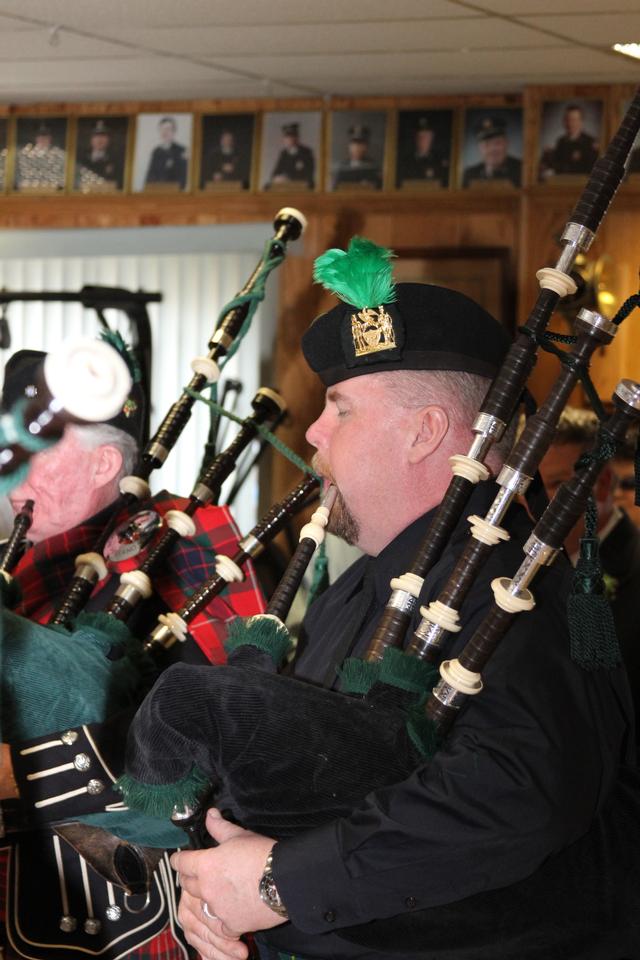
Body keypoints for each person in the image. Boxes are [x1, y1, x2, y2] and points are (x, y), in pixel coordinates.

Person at [161, 241, 634, 959]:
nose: (314, 433)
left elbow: (513, 794)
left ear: (426, 432)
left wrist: (278, 885)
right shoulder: (355, 590)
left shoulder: (522, 598)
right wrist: (220, 888)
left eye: (341, 410)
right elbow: (310, 779)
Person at [0, 347, 265, 959]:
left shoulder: (183, 544)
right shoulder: (31, 559)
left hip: (143, 911)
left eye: (37, 452)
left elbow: (230, 750)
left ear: (105, 463)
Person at [539, 405, 640, 730]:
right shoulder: (522, 565)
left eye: (555, 484)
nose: (538, 503)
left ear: (602, 483)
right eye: (531, 487)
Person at [539, 103, 599, 180]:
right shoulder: (561, 141)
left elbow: (589, 170)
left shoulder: (590, 142)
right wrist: (549, 155)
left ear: (581, 122)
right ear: (564, 122)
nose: (571, 123)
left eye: (574, 120)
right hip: (561, 183)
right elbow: (555, 165)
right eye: (568, 119)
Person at [462, 115, 521, 188]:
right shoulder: (469, 174)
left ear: (506, 143)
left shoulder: (522, 170)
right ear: (480, 148)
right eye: (486, 144)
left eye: (497, 143)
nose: (492, 149)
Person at [396, 115, 449, 188]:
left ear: (431, 138)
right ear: (416, 139)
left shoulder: (439, 161)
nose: (423, 140)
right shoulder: (405, 161)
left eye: (426, 136)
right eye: (420, 136)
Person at [15, 122, 66, 190]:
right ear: (36, 138)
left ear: (50, 138)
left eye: (46, 137)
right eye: (40, 137)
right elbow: (18, 176)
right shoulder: (24, 155)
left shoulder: (59, 155)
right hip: (26, 190)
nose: (43, 140)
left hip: (53, 191)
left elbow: (62, 177)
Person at [75, 120, 124, 190]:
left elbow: (119, 185)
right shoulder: (80, 157)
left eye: (103, 136)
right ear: (91, 139)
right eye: (96, 136)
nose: (99, 140)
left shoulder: (117, 159)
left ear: (109, 139)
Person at [266, 123, 315, 190]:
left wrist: (288, 179)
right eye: (286, 137)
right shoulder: (283, 153)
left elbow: (308, 175)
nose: (289, 140)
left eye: (292, 137)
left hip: (301, 186)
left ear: (297, 138)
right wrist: (277, 178)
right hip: (286, 186)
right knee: (267, 187)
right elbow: (275, 172)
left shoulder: (306, 152)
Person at [144, 116, 188, 190]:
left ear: (174, 131)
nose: (165, 132)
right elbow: (150, 176)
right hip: (156, 192)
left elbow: (183, 177)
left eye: (168, 129)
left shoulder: (181, 150)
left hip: (174, 193)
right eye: (162, 129)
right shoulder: (156, 151)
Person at [333, 125, 382, 190]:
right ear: (349, 146)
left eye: (361, 144)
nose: (357, 147)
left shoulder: (374, 167)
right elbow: (335, 190)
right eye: (354, 143)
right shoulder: (341, 167)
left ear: (366, 146)